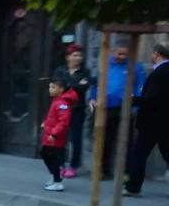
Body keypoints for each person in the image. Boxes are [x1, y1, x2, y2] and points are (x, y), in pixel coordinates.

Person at [89, 45, 146, 179]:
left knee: (126, 141)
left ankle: (126, 172)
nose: (122, 57)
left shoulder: (136, 67)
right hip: (105, 108)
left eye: (125, 54)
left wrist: (135, 107)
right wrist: (92, 98)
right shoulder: (105, 64)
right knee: (104, 141)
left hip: (126, 109)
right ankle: (103, 170)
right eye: (119, 54)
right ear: (113, 52)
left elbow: (140, 87)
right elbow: (96, 83)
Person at [125, 42, 169, 196]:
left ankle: (133, 187)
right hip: (163, 122)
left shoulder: (161, 72)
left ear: (156, 53)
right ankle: (133, 186)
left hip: (152, 122)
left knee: (138, 154)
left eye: (152, 53)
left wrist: (134, 99)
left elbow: (152, 99)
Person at [53, 45, 91, 178]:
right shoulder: (60, 70)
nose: (78, 58)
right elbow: (57, 87)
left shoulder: (85, 72)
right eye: (75, 55)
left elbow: (83, 88)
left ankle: (74, 165)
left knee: (76, 138)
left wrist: (67, 85)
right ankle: (60, 164)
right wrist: (75, 85)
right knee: (60, 137)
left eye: (80, 55)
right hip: (61, 109)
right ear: (68, 57)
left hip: (77, 109)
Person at [39, 78, 77, 192]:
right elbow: (54, 118)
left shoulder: (62, 104)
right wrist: (46, 124)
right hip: (50, 136)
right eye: (50, 87)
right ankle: (55, 176)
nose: (50, 90)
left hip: (55, 138)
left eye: (53, 87)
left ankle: (58, 181)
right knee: (45, 154)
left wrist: (54, 134)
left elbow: (63, 122)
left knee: (52, 158)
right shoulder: (57, 101)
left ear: (61, 89)